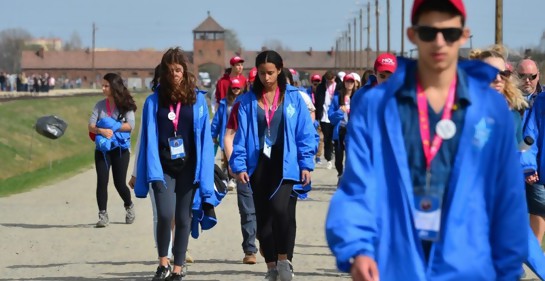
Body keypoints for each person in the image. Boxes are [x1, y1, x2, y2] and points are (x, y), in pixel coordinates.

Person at [326, 1, 528, 280]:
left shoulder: (490, 109)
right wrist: (358, 248)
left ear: (464, 35)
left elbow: (507, 195)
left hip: (468, 265)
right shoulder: (377, 106)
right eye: (428, 32)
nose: (439, 42)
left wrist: (507, 268)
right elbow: (357, 187)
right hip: (396, 264)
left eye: (450, 34)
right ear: (412, 35)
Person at [230, 50, 316, 281]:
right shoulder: (246, 102)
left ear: (279, 70)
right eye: (261, 73)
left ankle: (283, 259)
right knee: (263, 222)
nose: (266, 78)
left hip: (286, 163)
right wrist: (239, 166)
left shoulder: (294, 97)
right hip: (258, 165)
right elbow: (240, 137)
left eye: (270, 73)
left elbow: (305, 133)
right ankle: (271, 268)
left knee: (281, 211)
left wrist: (306, 163)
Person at [133, 47, 216, 281]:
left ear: (185, 71)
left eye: (178, 70)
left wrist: (205, 174)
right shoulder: (153, 101)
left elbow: (205, 141)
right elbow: (146, 137)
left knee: (183, 218)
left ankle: (178, 268)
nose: (174, 75)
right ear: (163, 73)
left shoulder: (198, 100)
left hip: (189, 168)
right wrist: (142, 171)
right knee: (165, 213)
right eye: (169, 71)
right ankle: (163, 263)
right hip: (162, 167)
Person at [88, 73, 137, 228]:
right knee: (102, 181)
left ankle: (129, 205)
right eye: (102, 85)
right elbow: (91, 126)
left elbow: (130, 126)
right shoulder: (99, 105)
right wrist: (101, 131)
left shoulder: (126, 105)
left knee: (119, 183)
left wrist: (113, 126)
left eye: (106, 86)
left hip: (120, 149)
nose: (103, 88)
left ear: (114, 87)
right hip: (102, 149)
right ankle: (103, 215)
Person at [223, 97, 258, 265]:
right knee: (247, 209)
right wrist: (232, 162)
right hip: (244, 165)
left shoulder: (278, 104)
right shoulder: (241, 106)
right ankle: (250, 249)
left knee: (268, 209)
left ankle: (265, 240)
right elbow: (229, 136)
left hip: (268, 166)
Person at [469, 46, 527, 143]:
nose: (498, 79)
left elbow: (520, 150)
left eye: (503, 74)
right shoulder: (465, 112)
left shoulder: (514, 115)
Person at [212, 78, 244, 191]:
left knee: (239, 156)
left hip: (240, 135)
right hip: (227, 134)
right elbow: (217, 119)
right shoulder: (224, 103)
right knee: (226, 158)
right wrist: (213, 134)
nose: (236, 90)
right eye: (234, 88)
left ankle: (235, 179)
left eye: (238, 88)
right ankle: (228, 178)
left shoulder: (244, 101)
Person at [328, 73, 357, 181]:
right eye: (347, 81)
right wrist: (340, 111)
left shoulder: (357, 97)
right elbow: (331, 116)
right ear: (344, 83)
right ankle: (340, 173)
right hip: (340, 130)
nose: (349, 84)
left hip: (352, 132)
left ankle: (348, 178)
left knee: (350, 157)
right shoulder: (337, 98)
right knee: (338, 158)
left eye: (351, 81)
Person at [314, 70, 342, 170]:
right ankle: (328, 159)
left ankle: (338, 157)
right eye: (328, 80)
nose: (330, 81)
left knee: (337, 138)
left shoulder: (339, 87)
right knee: (327, 139)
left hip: (336, 116)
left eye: (331, 80)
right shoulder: (321, 87)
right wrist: (317, 116)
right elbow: (317, 103)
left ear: (335, 78)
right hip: (324, 117)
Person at [307, 74, 324, 164]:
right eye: (315, 83)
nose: (316, 84)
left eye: (318, 82)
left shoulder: (322, 93)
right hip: (310, 119)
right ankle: (310, 155)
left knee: (320, 138)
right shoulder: (307, 93)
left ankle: (318, 156)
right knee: (310, 138)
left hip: (320, 119)